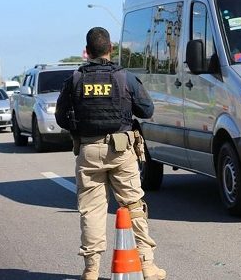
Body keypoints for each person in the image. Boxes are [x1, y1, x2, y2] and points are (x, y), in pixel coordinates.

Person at [55, 27, 166, 280]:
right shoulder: (124, 78)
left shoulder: (74, 80)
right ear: (110, 49)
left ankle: (91, 270)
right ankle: (147, 266)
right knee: (133, 205)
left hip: (88, 149)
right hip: (121, 149)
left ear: (87, 51)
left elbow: (61, 118)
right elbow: (147, 110)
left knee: (92, 211)